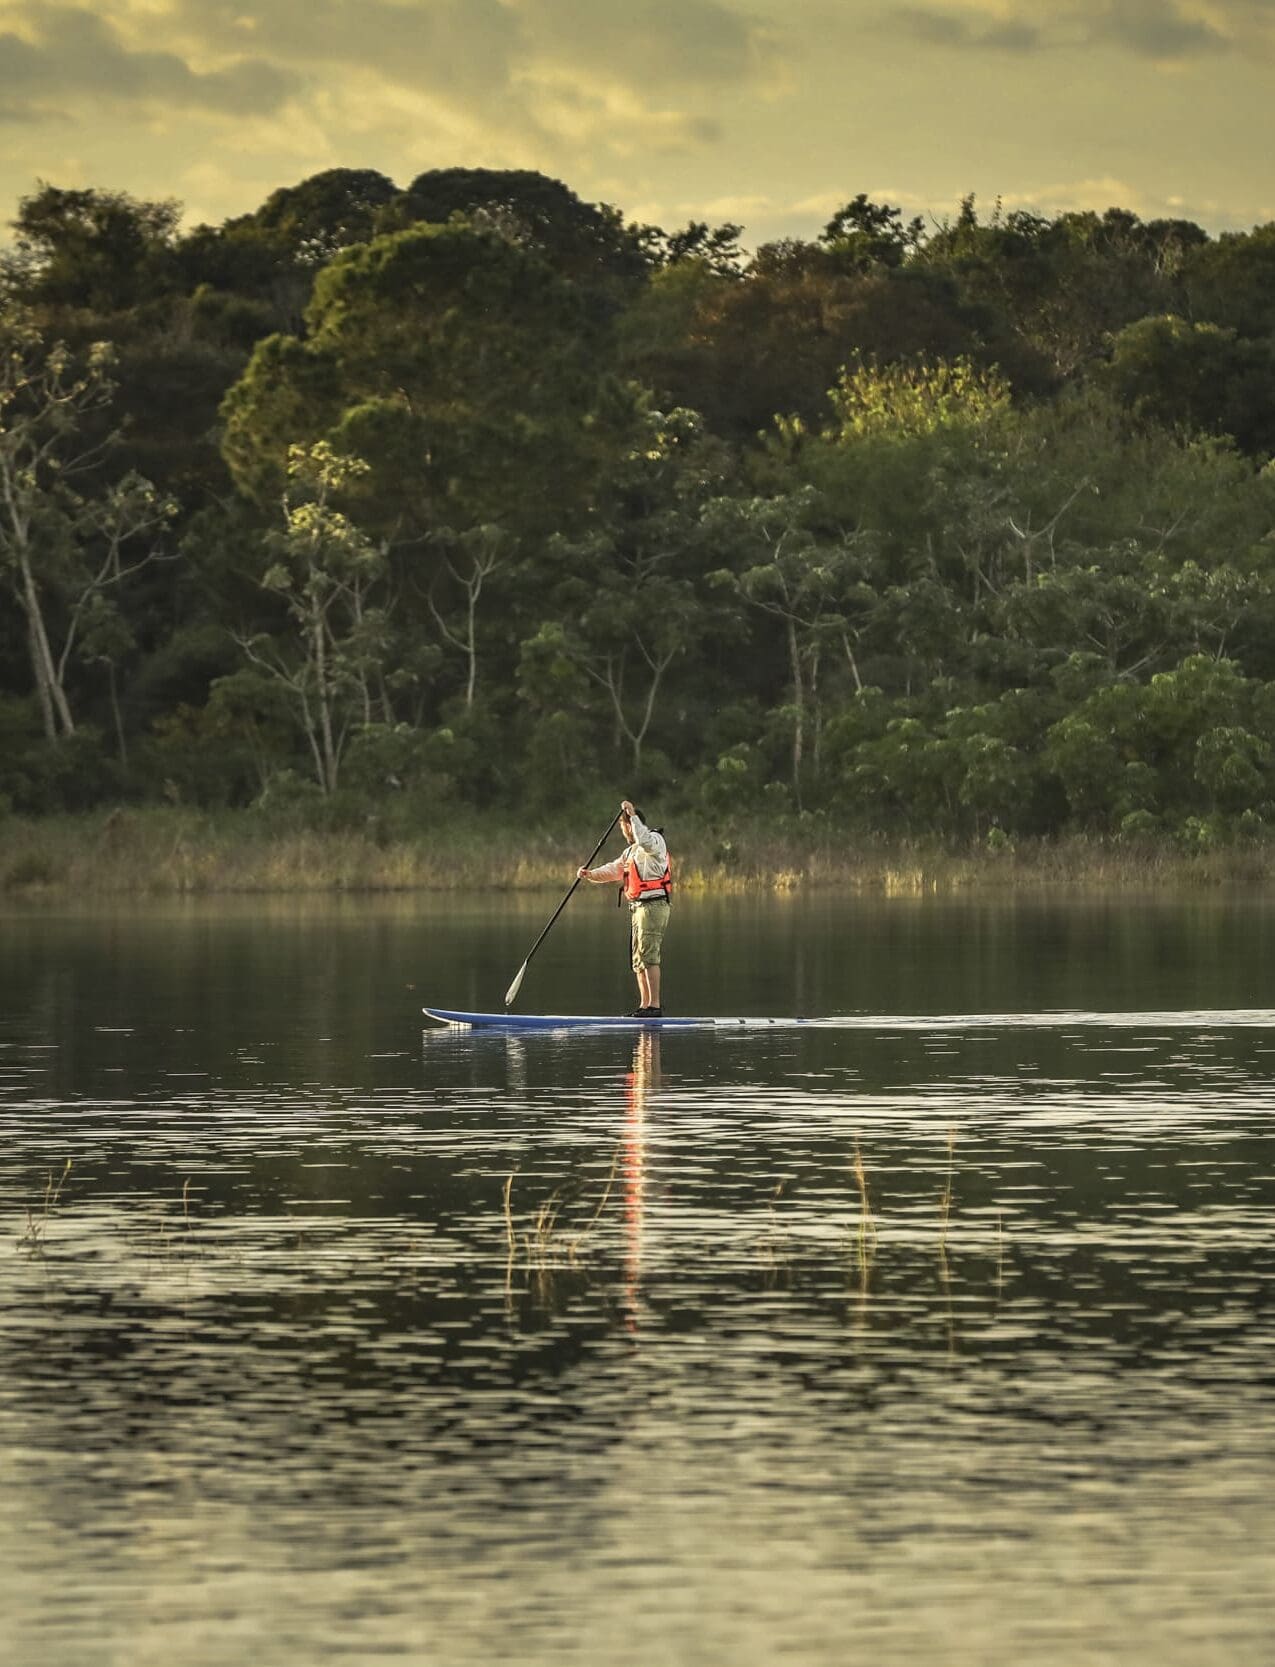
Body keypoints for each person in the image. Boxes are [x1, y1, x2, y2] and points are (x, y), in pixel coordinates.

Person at [578, 799, 671, 1017]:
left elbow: (644, 840)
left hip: (654, 905)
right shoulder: (630, 853)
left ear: (630, 825)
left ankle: (655, 1006)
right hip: (638, 908)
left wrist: (632, 815)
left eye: (623, 826)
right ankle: (644, 1005)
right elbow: (614, 870)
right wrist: (590, 874)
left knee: (648, 954)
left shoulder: (655, 840)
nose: (623, 831)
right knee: (638, 958)